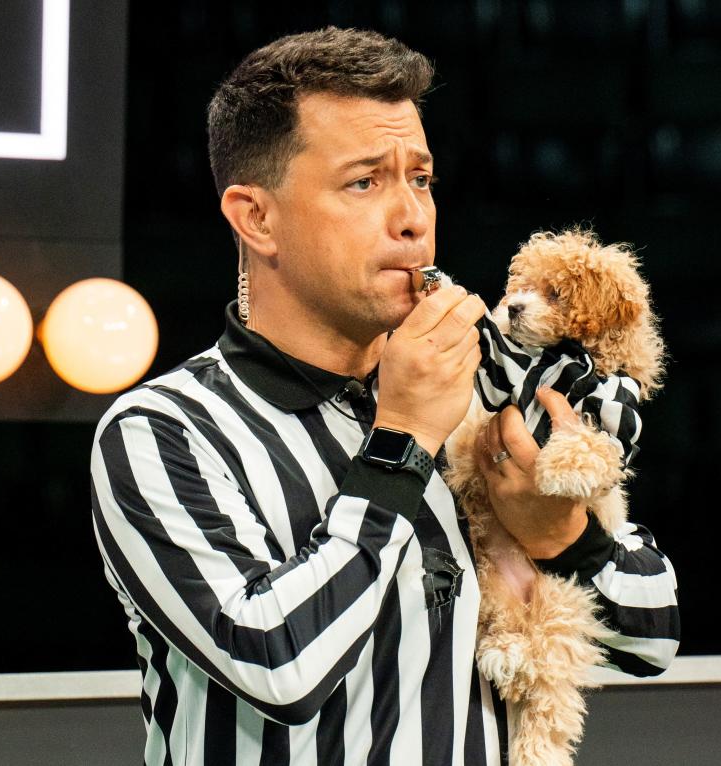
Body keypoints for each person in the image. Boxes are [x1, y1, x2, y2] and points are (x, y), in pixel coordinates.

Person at [91, 27, 679, 766]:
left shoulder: (483, 393)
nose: (413, 217)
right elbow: (276, 666)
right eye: (365, 181)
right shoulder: (163, 430)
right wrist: (401, 440)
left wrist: (561, 533)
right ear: (255, 217)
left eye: (422, 179)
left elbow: (654, 636)